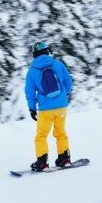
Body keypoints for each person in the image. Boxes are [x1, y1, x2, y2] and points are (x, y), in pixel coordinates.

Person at [25, 41, 74, 171]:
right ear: (47, 51)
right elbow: (68, 82)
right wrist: (64, 96)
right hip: (61, 107)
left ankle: (42, 163)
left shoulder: (32, 71)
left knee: (41, 136)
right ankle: (64, 159)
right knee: (61, 133)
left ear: (34, 54)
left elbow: (30, 92)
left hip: (45, 109)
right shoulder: (58, 64)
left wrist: (32, 108)